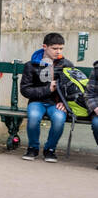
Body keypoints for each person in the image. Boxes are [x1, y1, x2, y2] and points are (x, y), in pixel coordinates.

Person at [19, 33, 73, 161]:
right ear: (45, 47)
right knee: (33, 117)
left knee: (59, 119)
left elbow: (72, 89)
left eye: (61, 48)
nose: (58, 52)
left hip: (56, 103)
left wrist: (64, 103)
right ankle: (32, 148)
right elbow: (25, 90)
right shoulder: (31, 65)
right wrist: (47, 89)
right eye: (55, 48)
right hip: (37, 101)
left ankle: (50, 149)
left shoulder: (66, 64)